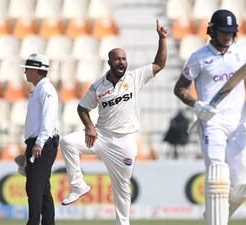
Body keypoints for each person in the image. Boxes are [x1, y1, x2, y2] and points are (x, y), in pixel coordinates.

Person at [60, 20, 167, 225]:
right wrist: (90, 127)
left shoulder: (135, 77)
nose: (121, 62)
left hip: (125, 141)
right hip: (101, 136)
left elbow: (160, 64)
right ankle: (78, 186)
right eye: (117, 59)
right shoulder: (98, 86)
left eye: (124, 59)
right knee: (67, 142)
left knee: (122, 188)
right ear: (109, 63)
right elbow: (82, 108)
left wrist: (162, 39)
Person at [173, 9, 246, 225]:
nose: (227, 36)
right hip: (212, 123)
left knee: (243, 186)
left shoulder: (241, 52)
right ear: (212, 30)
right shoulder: (198, 58)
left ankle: (213, 216)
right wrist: (197, 105)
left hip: (238, 124)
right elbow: (180, 89)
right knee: (218, 174)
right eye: (223, 31)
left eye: (231, 32)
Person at [20, 53, 59, 225]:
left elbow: (48, 118)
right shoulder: (41, 88)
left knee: (34, 188)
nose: (25, 72)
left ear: (36, 70)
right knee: (42, 190)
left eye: (27, 69)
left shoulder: (45, 89)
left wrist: (39, 142)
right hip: (38, 143)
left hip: (42, 144)